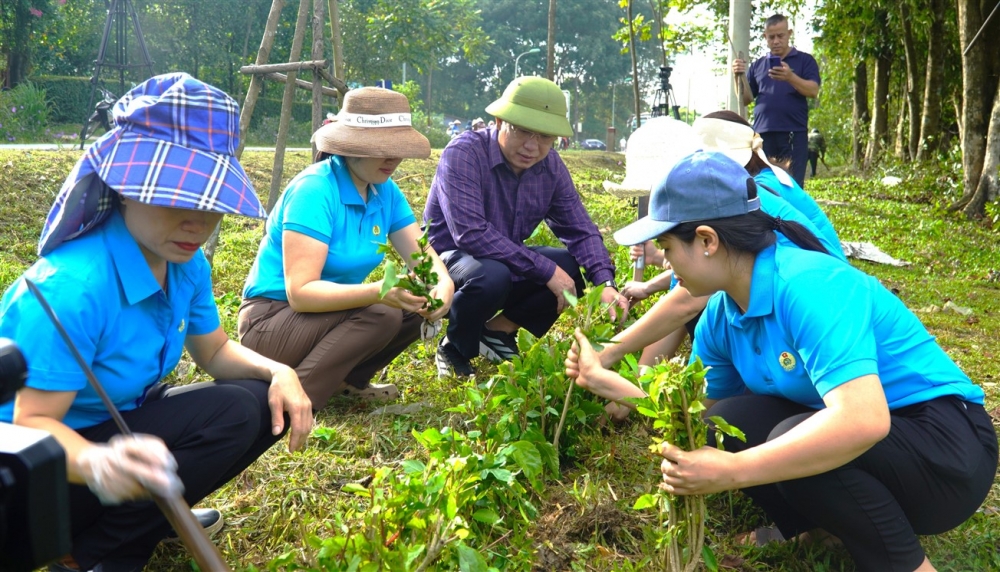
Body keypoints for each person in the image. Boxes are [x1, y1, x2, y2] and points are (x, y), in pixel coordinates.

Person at [568, 151, 998, 572]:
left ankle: (907, 564)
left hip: (948, 452)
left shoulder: (809, 284)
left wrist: (734, 471)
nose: (663, 260)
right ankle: (823, 527)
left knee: (796, 435)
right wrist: (601, 378)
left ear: (706, 240)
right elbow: (697, 412)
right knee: (731, 421)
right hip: (889, 444)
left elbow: (864, 422)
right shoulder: (721, 314)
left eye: (665, 245)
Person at [0, 73, 313, 572]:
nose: (196, 223)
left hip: (119, 424)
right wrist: (98, 464)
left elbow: (212, 351)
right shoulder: (73, 288)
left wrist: (280, 372)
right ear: (124, 187)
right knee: (231, 413)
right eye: (176, 199)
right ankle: (90, 556)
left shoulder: (185, 263)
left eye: (210, 204)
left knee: (255, 403)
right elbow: (29, 425)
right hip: (38, 476)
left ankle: (143, 516)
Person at [239, 87, 453, 407]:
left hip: (324, 318)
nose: (394, 158)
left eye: (399, 148)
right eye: (383, 148)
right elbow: (301, 293)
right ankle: (292, 400)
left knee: (410, 305)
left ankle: (344, 383)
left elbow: (424, 258)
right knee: (384, 311)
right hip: (271, 322)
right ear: (352, 147)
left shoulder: (384, 191)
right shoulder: (315, 190)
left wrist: (443, 289)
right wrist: (379, 291)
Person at [611, 111, 844, 381]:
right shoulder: (759, 185)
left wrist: (615, 357)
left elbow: (684, 302)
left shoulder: (747, 200)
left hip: (811, 324)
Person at [425, 76, 628, 378]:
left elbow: (581, 230)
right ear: (498, 122)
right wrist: (545, 271)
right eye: (522, 131)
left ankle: (497, 332)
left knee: (576, 266)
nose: (532, 146)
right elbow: (469, 233)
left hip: (502, 261)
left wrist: (605, 284)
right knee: (492, 274)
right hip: (447, 262)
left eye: (545, 137)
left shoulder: (551, 167)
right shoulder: (464, 153)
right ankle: (455, 345)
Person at [732, 13, 820, 188]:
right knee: (764, 184)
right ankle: (769, 216)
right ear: (765, 37)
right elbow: (745, 99)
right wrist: (738, 77)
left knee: (792, 185)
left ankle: (792, 216)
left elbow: (813, 90)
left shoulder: (804, 60)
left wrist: (790, 77)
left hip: (793, 133)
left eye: (780, 36)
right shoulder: (758, 65)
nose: (776, 41)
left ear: (789, 33)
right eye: (771, 37)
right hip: (762, 135)